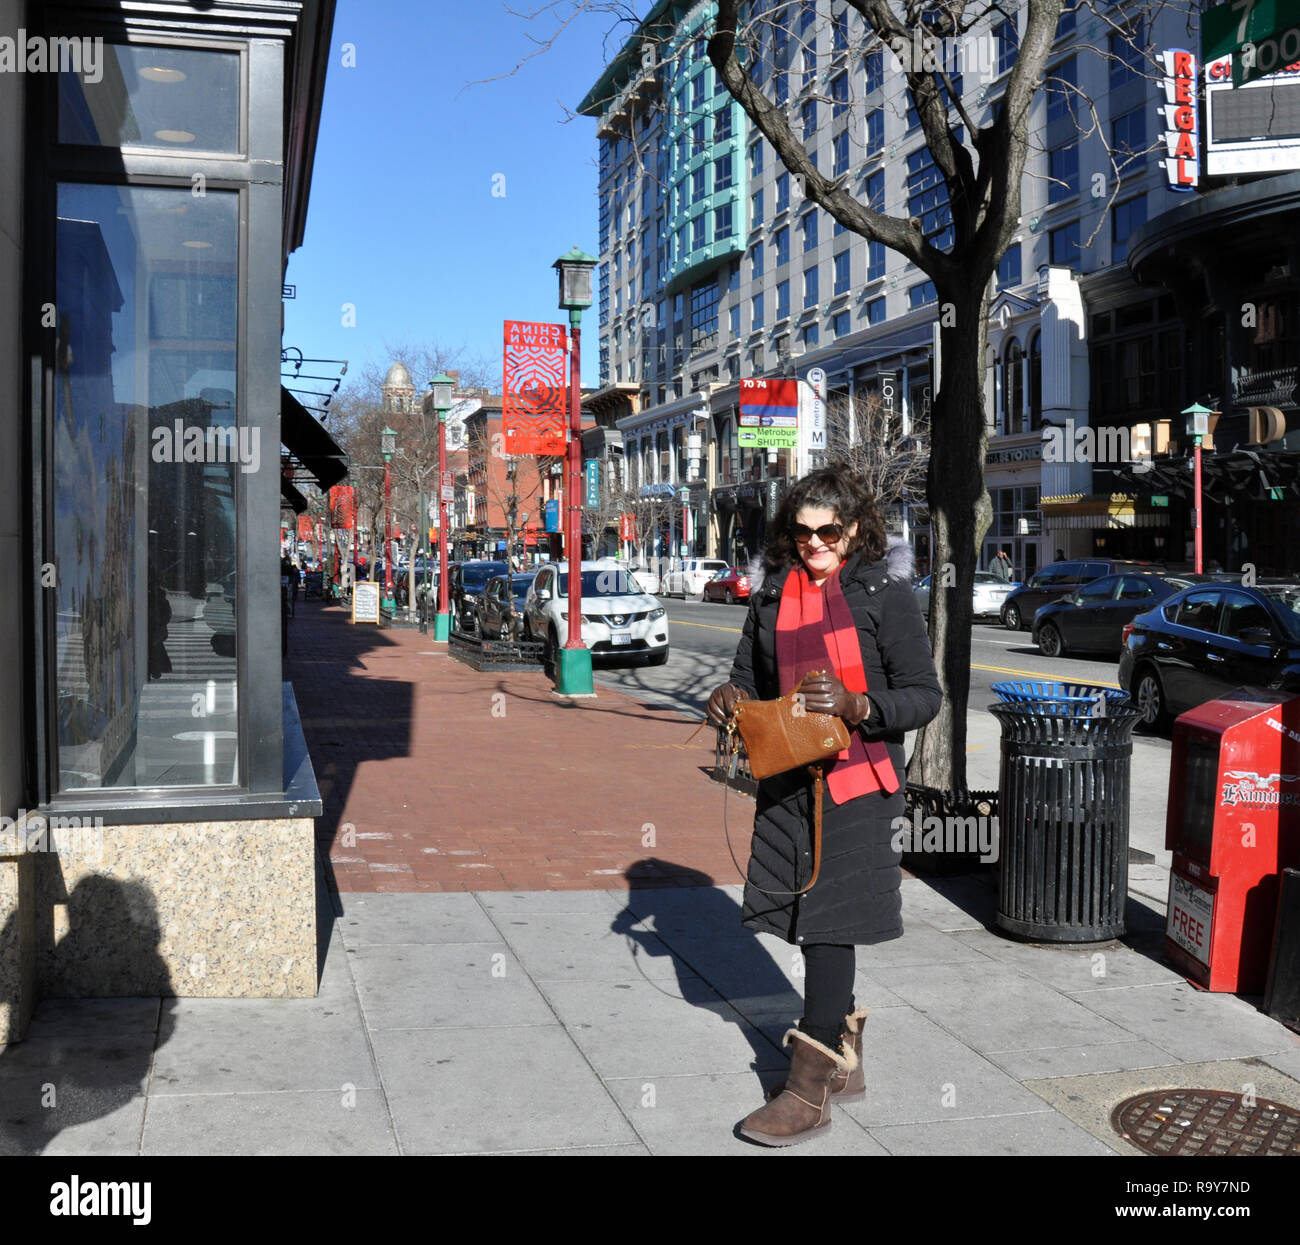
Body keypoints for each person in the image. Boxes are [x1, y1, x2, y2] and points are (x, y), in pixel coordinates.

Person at [706, 466, 941, 1147]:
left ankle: (808, 1089)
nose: (814, 542)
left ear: (856, 528)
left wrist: (861, 704)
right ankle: (849, 1054)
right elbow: (749, 677)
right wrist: (728, 697)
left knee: (828, 924)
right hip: (787, 780)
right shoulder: (772, 594)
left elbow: (925, 695)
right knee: (802, 915)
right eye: (802, 530)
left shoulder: (885, 593)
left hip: (859, 782)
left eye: (828, 531)